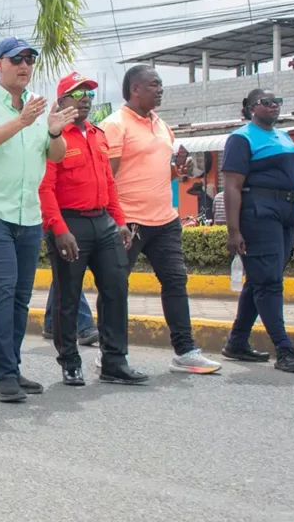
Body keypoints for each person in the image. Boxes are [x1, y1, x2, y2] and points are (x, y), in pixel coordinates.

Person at [0, 37, 74, 403]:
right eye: (16, 59)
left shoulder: (37, 103)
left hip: (27, 213)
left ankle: (12, 366)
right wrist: (22, 122)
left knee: (21, 297)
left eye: (30, 59)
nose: (25, 65)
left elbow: (56, 155)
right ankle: (2, 375)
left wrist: (52, 131)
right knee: (1, 290)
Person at [98, 65, 222, 374]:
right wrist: (114, 220)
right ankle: (111, 354)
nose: (160, 89)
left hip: (165, 221)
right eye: (154, 84)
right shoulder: (114, 125)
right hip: (129, 221)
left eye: (161, 84)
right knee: (115, 287)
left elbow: (152, 172)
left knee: (176, 282)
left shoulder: (161, 125)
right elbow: (106, 178)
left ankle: (185, 351)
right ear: (134, 89)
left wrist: (176, 171)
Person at [39, 72, 147, 386]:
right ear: (61, 101)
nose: (84, 99)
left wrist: (120, 221)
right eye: (77, 93)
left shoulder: (98, 135)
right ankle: (70, 362)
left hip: (103, 222)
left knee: (116, 290)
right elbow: (44, 188)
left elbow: (109, 184)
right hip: (69, 223)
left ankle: (114, 361)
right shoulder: (53, 138)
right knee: (68, 296)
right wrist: (59, 229)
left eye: (88, 93)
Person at [220, 88, 294, 373]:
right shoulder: (241, 138)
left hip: (287, 213)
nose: (273, 106)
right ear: (250, 108)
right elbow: (232, 186)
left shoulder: (284, 136)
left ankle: (236, 343)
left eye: (277, 102)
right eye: (266, 102)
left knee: (262, 279)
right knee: (268, 282)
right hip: (259, 212)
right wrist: (233, 231)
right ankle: (284, 350)